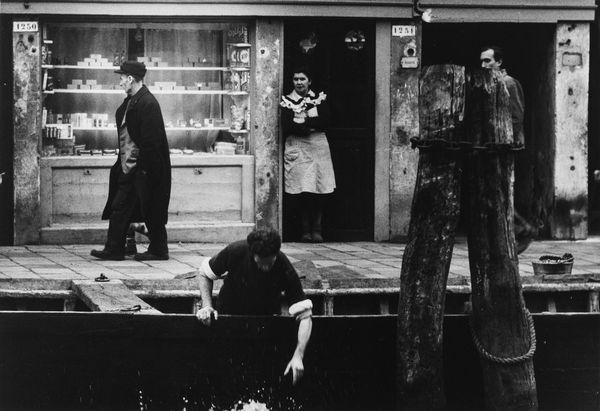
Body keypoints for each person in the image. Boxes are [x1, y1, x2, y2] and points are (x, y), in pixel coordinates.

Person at [196, 228, 313, 385]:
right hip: (228, 317)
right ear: (252, 254)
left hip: (264, 322)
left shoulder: (284, 266)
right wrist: (207, 306)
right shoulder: (236, 251)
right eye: (260, 264)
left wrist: (299, 355)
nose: (265, 268)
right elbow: (204, 273)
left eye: (269, 264)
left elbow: (306, 317)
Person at [91, 61, 171, 261]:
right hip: (130, 166)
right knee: (121, 206)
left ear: (130, 79)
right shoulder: (133, 100)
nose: (119, 83)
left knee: (150, 208)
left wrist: (144, 171)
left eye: (121, 78)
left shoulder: (147, 103)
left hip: (143, 168)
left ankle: (158, 250)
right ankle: (115, 248)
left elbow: (151, 143)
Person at [480, 46, 536, 254]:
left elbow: (516, 115)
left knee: (500, 188)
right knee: (494, 188)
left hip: (506, 146)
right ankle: (510, 231)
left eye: (488, 61)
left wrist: (507, 142)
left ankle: (522, 227)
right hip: (495, 146)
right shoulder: (491, 84)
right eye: (482, 61)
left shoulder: (509, 83)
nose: (484, 65)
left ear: (499, 62)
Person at [280, 67, 336, 243]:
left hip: (318, 146)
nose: (299, 82)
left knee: (319, 188)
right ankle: (305, 230)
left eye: (302, 79)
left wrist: (303, 121)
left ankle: (317, 228)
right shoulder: (287, 101)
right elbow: (287, 125)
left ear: (309, 81)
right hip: (298, 148)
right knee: (303, 189)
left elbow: (326, 120)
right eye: (296, 79)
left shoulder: (318, 99)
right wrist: (309, 125)